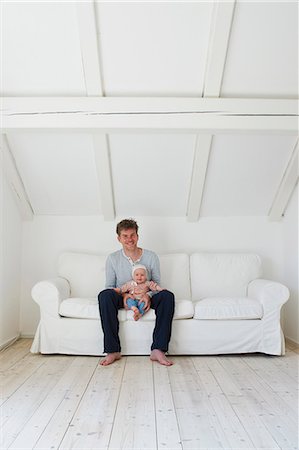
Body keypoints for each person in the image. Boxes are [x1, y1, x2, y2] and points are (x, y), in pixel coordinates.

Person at [98, 218, 175, 366]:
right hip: (124, 296)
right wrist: (125, 295)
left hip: (146, 295)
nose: (129, 239)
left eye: (132, 235)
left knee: (167, 296)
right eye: (125, 236)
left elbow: (157, 284)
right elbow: (110, 286)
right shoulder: (113, 258)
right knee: (105, 295)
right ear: (119, 238)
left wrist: (148, 295)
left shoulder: (151, 256)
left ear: (137, 236)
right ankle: (112, 350)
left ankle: (158, 349)